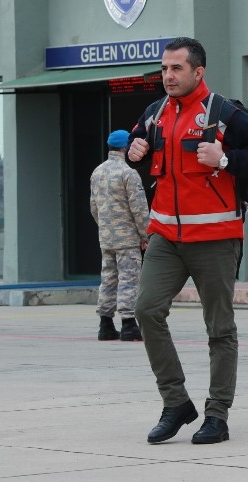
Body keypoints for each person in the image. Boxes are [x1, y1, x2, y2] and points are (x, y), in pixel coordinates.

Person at [127, 37, 248, 445]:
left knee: (219, 329)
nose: (168, 76)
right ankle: (176, 402)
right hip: (165, 236)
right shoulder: (155, 112)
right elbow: (138, 146)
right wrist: (134, 150)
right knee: (145, 310)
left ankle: (217, 415)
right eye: (164, 69)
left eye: (176, 68)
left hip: (214, 237)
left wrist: (226, 160)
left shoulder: (224, 113)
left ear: (198, 72)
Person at [90, 129, 150, 342]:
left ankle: (105, 324)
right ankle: (128, 324)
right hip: (127, 238)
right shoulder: (128, 173)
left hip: (106, 237)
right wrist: (146, 235)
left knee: (108, 278)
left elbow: (93, 207)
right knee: (129, 278)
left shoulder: (97, 172)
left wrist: (105, 227)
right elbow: (139, 208)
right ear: (126, 147)